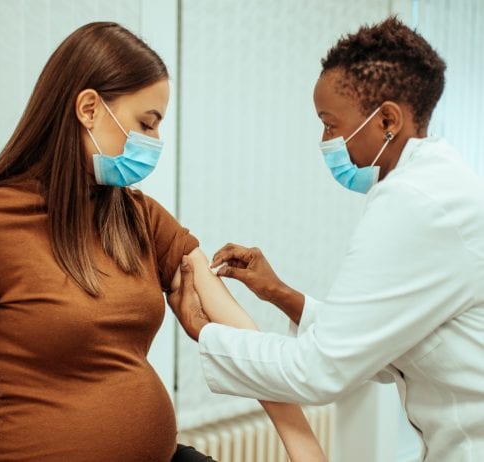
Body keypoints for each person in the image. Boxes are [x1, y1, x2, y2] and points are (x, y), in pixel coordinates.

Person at [0, 21, 325, 461]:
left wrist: (304, 447)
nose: (155, 142)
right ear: (89, 108)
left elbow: (240, 334)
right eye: (146, 124)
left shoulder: (137, 215)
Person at [172, 16, 484, 462]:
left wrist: (203, 331)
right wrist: (279, 293)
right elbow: (375, 345)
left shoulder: (414, 202)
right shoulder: (438, 187)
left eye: (330, 124)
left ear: (387, 119)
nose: (325, 141)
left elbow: (319, 370)